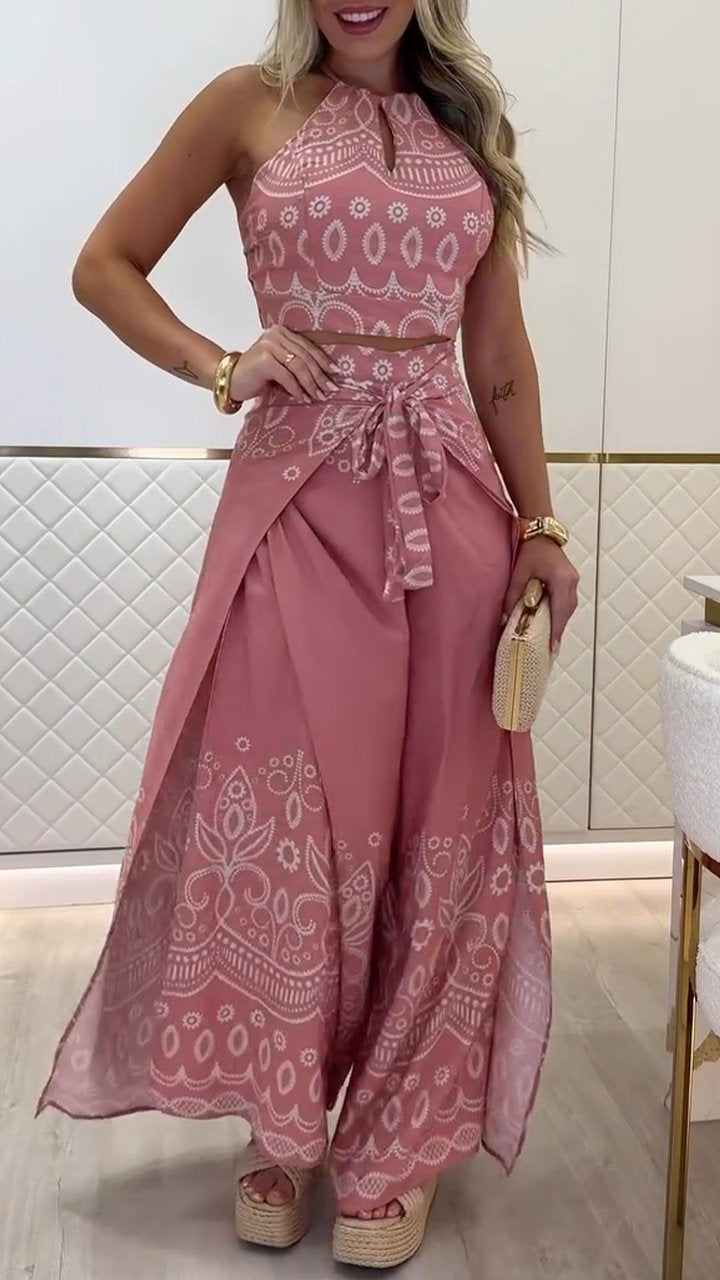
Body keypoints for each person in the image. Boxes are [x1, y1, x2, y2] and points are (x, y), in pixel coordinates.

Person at [36, 0, 579, 1267]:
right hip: (296, 499)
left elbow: (497, 348)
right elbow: (104, 264)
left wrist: (540, 522)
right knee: (291, 819)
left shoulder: (473, 125)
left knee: (442, 826)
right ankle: (282, 1121)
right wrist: (222, 366)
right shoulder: (247, 103)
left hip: (454, 508)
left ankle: (393, 1137)